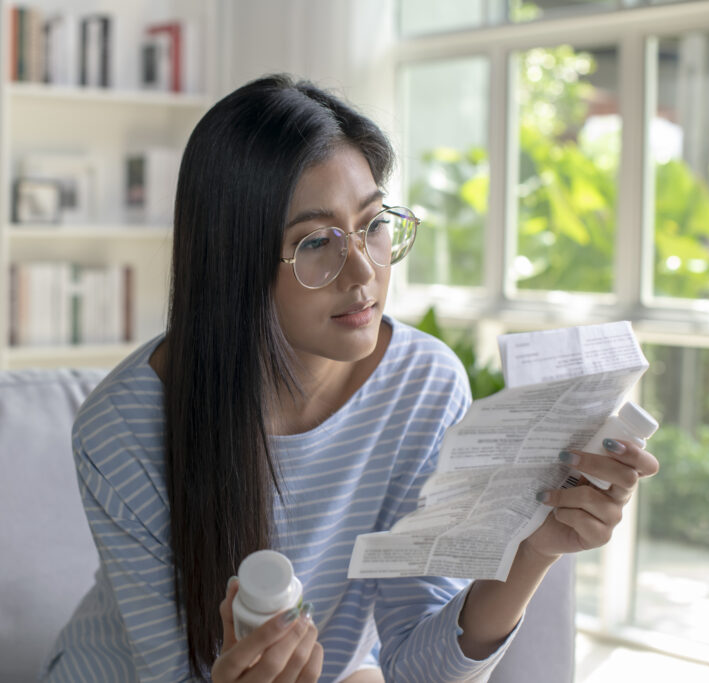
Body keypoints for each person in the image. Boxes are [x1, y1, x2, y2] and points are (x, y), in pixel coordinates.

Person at [41, 74, 659, 682]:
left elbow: (419, 666)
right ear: (233, 262)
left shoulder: (422, 386)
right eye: (315, 241)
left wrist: (535, 548)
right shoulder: (122, 429)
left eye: (372, 225)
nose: (362, 272)